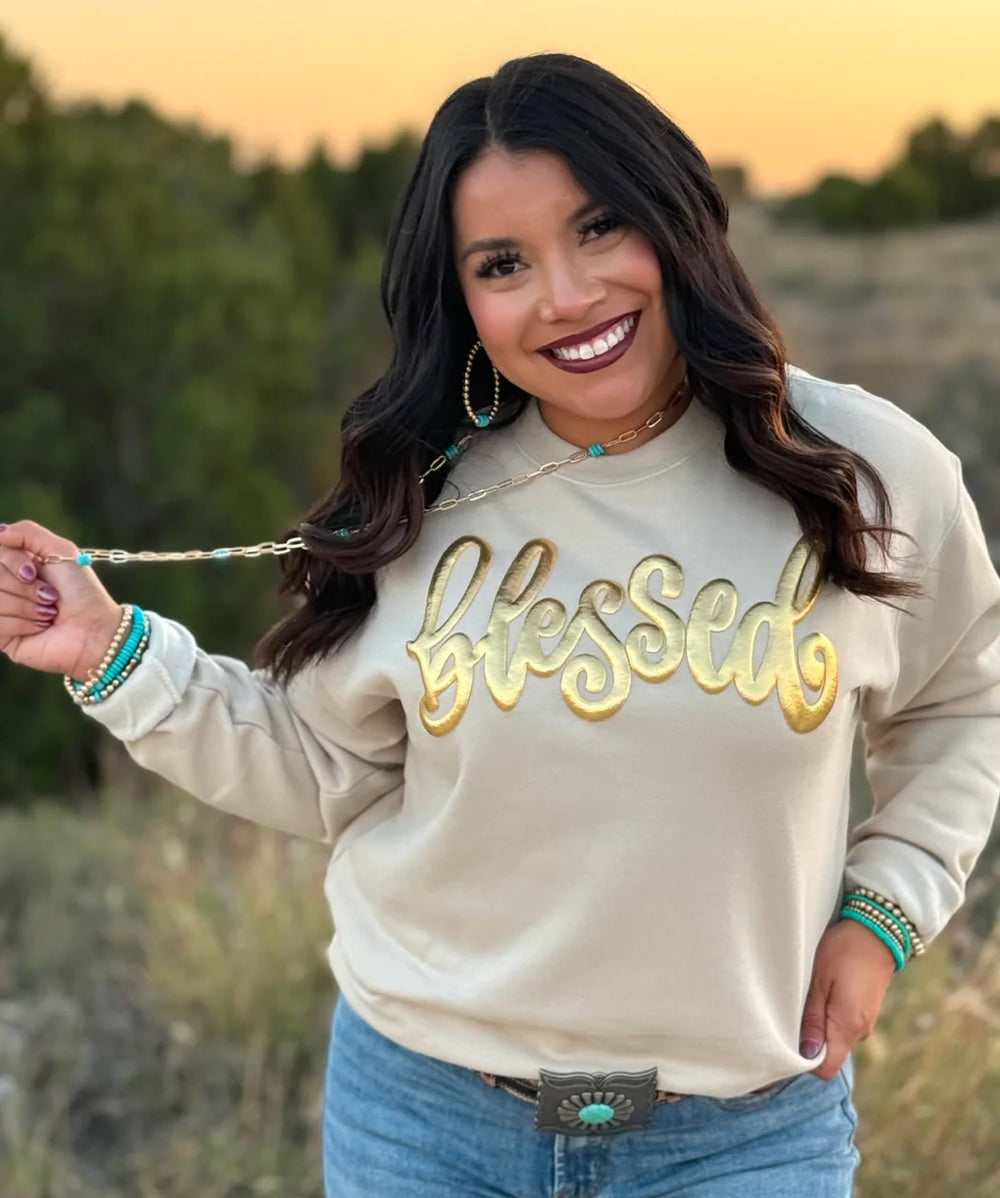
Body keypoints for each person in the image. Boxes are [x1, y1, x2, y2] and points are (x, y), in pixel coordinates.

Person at [1, 51, 998, 1198]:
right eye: (503, 263)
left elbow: (964, 701)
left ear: (677, 220)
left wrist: (882, 914)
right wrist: (112, 654)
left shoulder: (860, 470)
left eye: (600, 228)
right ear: (460, 295)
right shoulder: (428, 491)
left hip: (743, 1135)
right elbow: (327, 767)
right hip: (426, 1123)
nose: (565, 297)